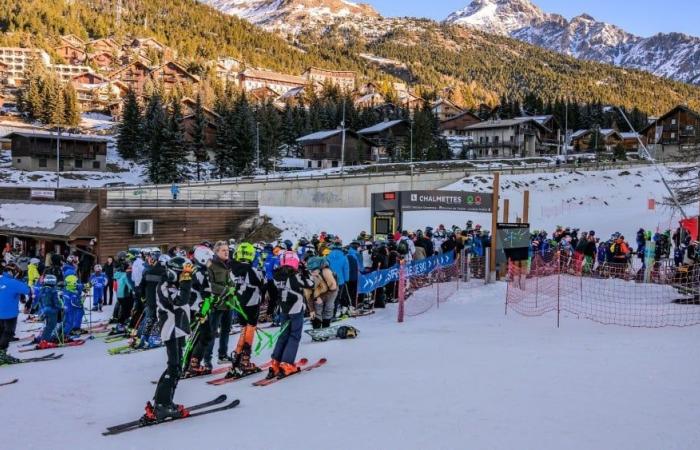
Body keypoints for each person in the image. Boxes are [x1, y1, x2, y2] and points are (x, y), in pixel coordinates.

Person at [143, 256, 194, 422]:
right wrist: (186, 281)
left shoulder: (173, 284)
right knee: (173, 367)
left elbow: (187, 299)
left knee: (177, 367)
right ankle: (161, 404)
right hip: (170, 328)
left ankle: (165, 402)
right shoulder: (165, 285)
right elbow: (180, 300)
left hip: (178, 328)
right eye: (181, 274)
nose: (183, 277)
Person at [268, 251, 314, 379]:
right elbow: (310, 284)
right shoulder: (294, 276)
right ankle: (287, 363)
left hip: (283, 308)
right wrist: (305, 271)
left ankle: (275, 362)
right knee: (294, 335)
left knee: (283, 335)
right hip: (295, 308)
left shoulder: (277, 275)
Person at [226, 242, 265, 379]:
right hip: (252, 302)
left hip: (239, 302)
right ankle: (245, 360)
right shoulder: (253, 270)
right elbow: (262, 282)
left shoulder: (232, 269)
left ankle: (237, 357)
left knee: (243, 328)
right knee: (250, 328)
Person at [206, 241, 234, 365]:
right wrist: (225, 290)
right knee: (212, 332)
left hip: (228, 303)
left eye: (227, 250)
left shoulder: (228, 264)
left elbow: (230, 280)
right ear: (216, 252)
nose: (226, 252)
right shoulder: (210, 265)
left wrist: (233, 287)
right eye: (223, 250)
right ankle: (207, 359)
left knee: (226, 330)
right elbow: (209, 284)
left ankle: (222, 355)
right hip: (216, 304)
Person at [0, 264, 29, 364]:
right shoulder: (14, 282)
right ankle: (2, 354)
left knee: (1, 332)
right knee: (8, 333)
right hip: (10, 314)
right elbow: (27, 290)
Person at [307, 256, 338, 329]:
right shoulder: (309, 277)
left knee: (328, 307)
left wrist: (321, 297)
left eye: (314, 271)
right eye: (310, 271)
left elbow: (333, 288)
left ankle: (325, 327)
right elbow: (308, 295)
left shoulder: (326, 272)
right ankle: (316, 327)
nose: (312, 273)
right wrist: (311, 310)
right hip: (319, 289)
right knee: (317, 307)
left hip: (331, 290)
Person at [36, 275, 61, 348]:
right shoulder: (53, 290)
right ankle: (44, 341)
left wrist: (42, 310)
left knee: (48, 326)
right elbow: (55, 302)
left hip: (44, 310)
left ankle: (44, 339)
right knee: (51, 326)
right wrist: (61, 307)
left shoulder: (42, 289)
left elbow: (39, 300)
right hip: (52, 310)